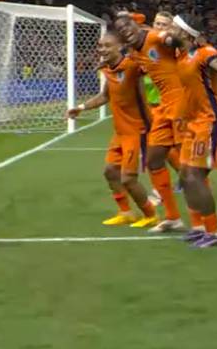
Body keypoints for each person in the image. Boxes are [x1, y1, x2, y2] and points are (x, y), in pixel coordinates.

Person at [65, 31, 158, 228]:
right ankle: (125, 212)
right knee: (110, 172)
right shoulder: (108, 69)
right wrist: (81, 108)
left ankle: (150, 214)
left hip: (138, 131)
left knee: (128, 179)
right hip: (120, 132)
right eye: (100, 46)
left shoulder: (132, 66)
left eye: (107, 45)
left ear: (120, 47)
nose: (102, 49)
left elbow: (151, 64)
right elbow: (104, 96)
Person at [166, 15, 217, 248]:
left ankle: (214, 233)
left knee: (195, 176)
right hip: (194, 122)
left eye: (173, 28)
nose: (169, 31)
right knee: (186, 176)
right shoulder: (182, 55)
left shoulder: (205, 52)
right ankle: (199, 227)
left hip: (211, 120)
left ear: (186, 34)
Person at [113, 11, 186, 232]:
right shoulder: (134, 53)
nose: (126, 33)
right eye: (121, 33)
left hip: (182, 101)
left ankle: (207, 223)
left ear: (138, 26)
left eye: (128, 27)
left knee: (190, 166)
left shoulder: (155, 37)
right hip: (164, 107)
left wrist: (173, 36)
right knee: (154, 159)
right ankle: (173, 217)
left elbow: (176, 41)